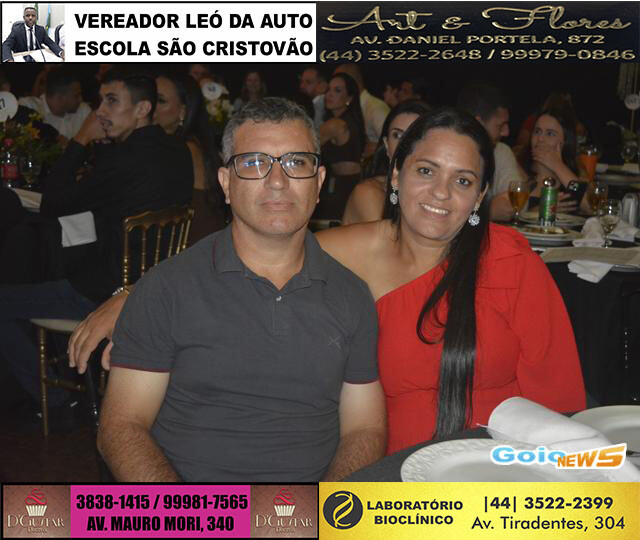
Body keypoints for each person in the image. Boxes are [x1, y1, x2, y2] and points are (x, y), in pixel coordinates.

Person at [70, 108, 585, 459]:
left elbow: (558, 398)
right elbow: (251, 248)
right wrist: (133, 296)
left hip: (497, 470)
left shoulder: (510, 261)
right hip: (390, 477)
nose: (441, 194)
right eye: (427, 171)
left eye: (463, 181)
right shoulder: (348, 250)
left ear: (479, 196)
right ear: (396, 177)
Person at [91, 97, 385, 482]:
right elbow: (121, 427)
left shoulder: (351, 295)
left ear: (318, 183)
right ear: (226, 183)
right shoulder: (167, 288)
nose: (277, 181)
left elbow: (365, 429)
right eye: (254, 163)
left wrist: (326, 508)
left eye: (296, 163)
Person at [0, 68, 193, 416]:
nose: (99, 111)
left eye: (111, 101)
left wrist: (80, 139)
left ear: (142, 109)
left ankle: (57, 401)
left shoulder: (126, 158)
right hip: (158, 285)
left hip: (109, 293)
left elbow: (52, 204)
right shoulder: (177, 151)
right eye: (100, 100)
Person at [153, 72, 227, 242]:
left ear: (183, 112)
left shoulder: (183, 149)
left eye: (161, 101)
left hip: (193, 245)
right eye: (150, 98)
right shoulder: (195, 144)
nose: (150, 107)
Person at [342, 100, 430, 225]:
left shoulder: (436, 194)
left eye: (416, 136)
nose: (404, 144)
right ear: (387, 145)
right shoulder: (369, 193)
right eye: (397, 135)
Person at [457, 82, 528, 222]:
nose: (506, 132)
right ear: (478, 124)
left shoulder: (500, 151)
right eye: (500, 125)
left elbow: (519, 204)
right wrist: (486, 211)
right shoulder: (447, 155)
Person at [518, 107, 590, 214]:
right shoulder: (518, 171)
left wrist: (557, 165)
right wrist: (539, 211)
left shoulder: (572, 178)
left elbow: (591, 207)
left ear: (565, 141)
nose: (540, 139)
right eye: (537, 131)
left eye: (550, 134)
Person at [315, 72, 366, 220]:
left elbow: (305, 144)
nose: (329, 94)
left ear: (349, 98)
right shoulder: (351, 121)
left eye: (337, 90)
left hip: (343, 186)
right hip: (351, 182)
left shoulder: (336, 124)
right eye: (328, 90)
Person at [19, 66, 91, 140]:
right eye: (76, 95)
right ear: (60, 97)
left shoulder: (83, 111)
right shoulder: (29, 106)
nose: (81, 99)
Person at [333, 64, 389, 156]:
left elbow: (393, 142)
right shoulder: (353, 107)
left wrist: (378, 148)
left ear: (350, 81)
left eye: (337, 88)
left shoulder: (375, 108)